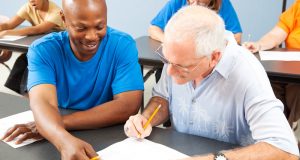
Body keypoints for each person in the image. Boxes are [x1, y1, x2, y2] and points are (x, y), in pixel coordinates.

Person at [124, 6, 299, 160]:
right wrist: (146, 118)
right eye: (166, 60)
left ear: (214, 57)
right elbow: (163, 98)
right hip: (180, 150)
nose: (169, 72)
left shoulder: (247, 73)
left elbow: (285, 150)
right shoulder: (177, 59)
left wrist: (216, 159)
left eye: (181, 66)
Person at [1, 0, 144, 159]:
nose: (91, 36)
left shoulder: (122, 45)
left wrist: (57, 125)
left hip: (109, 133)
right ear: (63, 19)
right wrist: (62, 139)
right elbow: (43, 102)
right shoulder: (43, 50)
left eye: (99, 26)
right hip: (57, 135)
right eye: (81, 28)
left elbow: (127, 105)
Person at [243, 0, 300, 129]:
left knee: (296, 89)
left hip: (297, 79)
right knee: (268, 83)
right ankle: (277, 131)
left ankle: (287, 133)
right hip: (287, 69)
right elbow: (276, 34)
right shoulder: (298, 6)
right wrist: (259, 45)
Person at [0, 0, 65, 95]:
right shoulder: (28, 6)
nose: (31, 0)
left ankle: (35, 94)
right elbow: (9, 25)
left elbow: (37, 29)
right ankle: (27, 94)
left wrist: (7, 32)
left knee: (33, 60)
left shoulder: (56, 12)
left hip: (58, 48)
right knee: (22, 59)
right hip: (40, 45)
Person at [149, 0, 242, 44]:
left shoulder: (223, 4)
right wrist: (168, 40)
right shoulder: (177, 2)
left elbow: (237, 36)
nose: (195, 3)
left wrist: (212, 46)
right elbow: (153, 28)